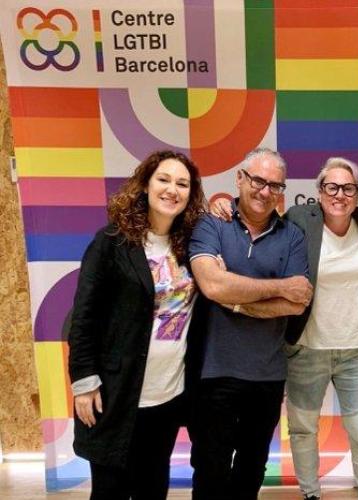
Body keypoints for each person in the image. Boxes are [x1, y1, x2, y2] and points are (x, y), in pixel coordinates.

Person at [210, 157, 358, 500]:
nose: (339, 194)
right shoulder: (300, 219)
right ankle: (311, 493)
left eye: (348, 188)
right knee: (303, 429)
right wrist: (224, 204)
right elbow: (259, 217)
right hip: (306, 349)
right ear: (319, 192)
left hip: (357, 351)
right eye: (331, 187)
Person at [68, 150, 207, 499]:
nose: (172, 189)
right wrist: (84, 383)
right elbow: (84, 315)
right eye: (164, 179)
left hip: (168, 395)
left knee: (153, 488)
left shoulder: (191, 245)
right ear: (145, 185)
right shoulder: (112, 242)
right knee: (110, 490)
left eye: (182, 184)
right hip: (115, 394)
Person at [187, 147, 312, 500]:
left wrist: (236, 299)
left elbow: (296, 302)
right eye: (258, 180)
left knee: (251, 471)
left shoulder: (292, 236)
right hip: (214, 373)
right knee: (210, 471)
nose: (265, 191)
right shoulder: (212, 224)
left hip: (267, 376)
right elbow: (213, 285)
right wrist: (279, 286)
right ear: (240, 179)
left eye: (275, 185)